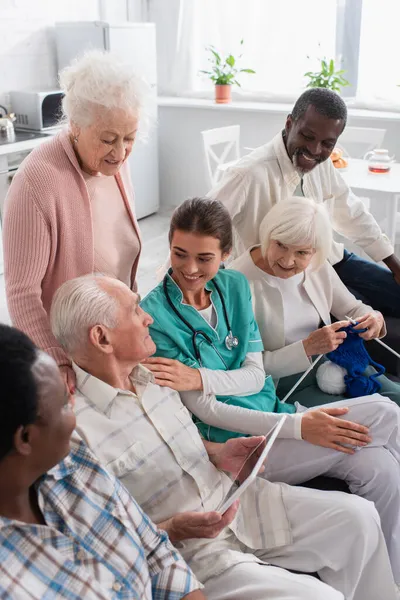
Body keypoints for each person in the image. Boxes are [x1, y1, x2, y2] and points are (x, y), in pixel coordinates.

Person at [49, 273, 398, 600]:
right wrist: (173, 528)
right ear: (102, 338)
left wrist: (219, 452)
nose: (148, 318)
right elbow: (96, 542)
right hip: (194, 553)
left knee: (359, 518)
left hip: (241, 504)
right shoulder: (73, 433)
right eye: (135, 311)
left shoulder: (156, 376)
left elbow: (170, 441)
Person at [138, 198, 400, 584]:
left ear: (225, 254)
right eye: (179, 254)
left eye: (205, 258)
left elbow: (254, 374)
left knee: (380, 468)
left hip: (277, 414)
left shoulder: (232, 285)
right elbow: (207, 410)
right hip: (237, 447)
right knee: (386, 412)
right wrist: (297, 425)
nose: (190, 269)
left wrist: (201, 377)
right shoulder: (156, 315)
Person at [0, 324, 204, 600]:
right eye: (64, 403)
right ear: (25, 438)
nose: (75, 407)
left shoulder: (77, 462)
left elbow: (158, 555)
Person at [3, 50, 150, 391]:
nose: (121, 152)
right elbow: (22, 294)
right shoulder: (37, 181)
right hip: (73, 351)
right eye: (108, 138)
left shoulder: (116, 164)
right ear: (75, 125)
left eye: (130, 137)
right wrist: (56, 360)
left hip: (111, 341)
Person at [209, 87, 400, 319]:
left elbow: (350, 211)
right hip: (288, 275)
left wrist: (393, 262)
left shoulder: (322, 163)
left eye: (327, 143)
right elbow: (199, 229)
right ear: (289, 124)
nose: (315, 150)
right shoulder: (248, 174)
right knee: (370, 325)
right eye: (307, 137)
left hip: (330, 260)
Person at [229, 196, 400, 408]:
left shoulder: (316, 265)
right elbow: (240, 367)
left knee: (396, 398)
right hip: (280, 383)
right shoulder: (235, 282)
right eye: (281, 245)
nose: (287, 260)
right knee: (371, 417)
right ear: (268, 234)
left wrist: (374, 319)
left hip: (335, 360)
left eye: (301, 252)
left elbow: (351, 308)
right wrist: (307, 348)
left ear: (315, 251)